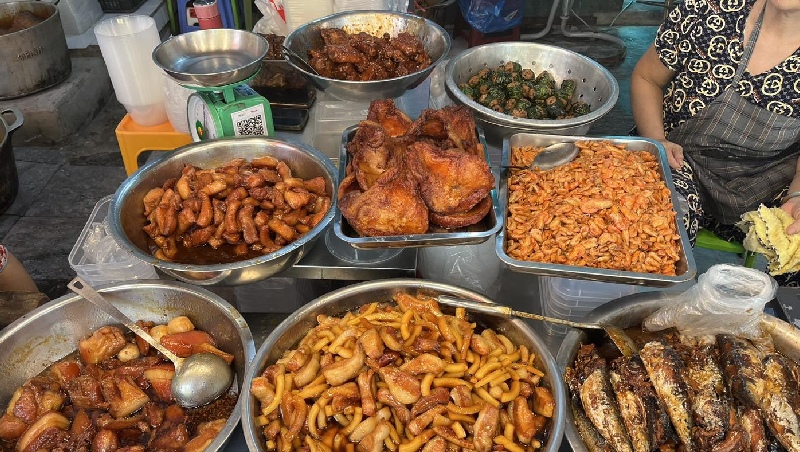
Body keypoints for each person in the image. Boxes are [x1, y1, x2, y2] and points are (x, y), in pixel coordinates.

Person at [630, 0, 800, 280]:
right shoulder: (708, 10)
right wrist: (657, 141)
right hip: (680, 159)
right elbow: (646, 77)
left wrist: (796, 194)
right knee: (653, 234)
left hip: (766, 181)